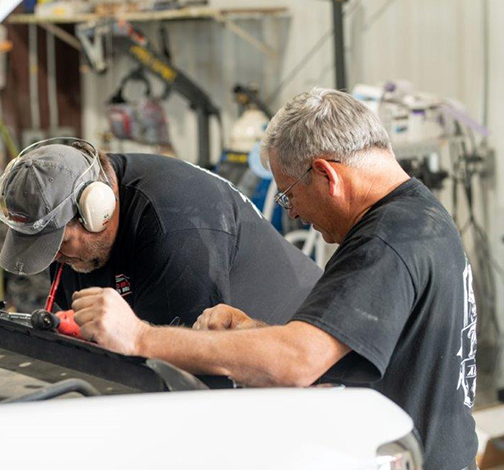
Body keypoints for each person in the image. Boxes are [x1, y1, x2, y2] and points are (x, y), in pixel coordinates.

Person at [70, 90, 478, 470]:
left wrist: (139, 337)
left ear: (325, 175)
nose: (294, 213)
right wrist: (254, 332)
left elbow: (298, 363)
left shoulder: (386, 240)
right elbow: (345, 355)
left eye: (288, 195)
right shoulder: (419, 217)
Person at [0, 137, 322, 327]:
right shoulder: (70, 229)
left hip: (306, 369)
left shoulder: (175, 228)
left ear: (97, 208)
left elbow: (188, 370)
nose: (56, 258)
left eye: (57, 245)